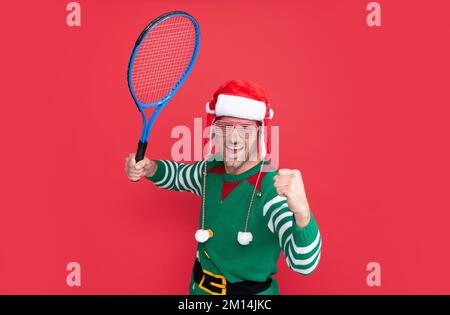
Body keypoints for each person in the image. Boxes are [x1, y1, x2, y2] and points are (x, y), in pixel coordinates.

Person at [124, 80, 322, 295]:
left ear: (260, 133)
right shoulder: (210, 172)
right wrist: (149, 167)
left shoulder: (273, 191)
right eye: (225, 127)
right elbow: (177, 175)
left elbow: (304, 264)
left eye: (245, 128)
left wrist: (302, 213)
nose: (233, 139)